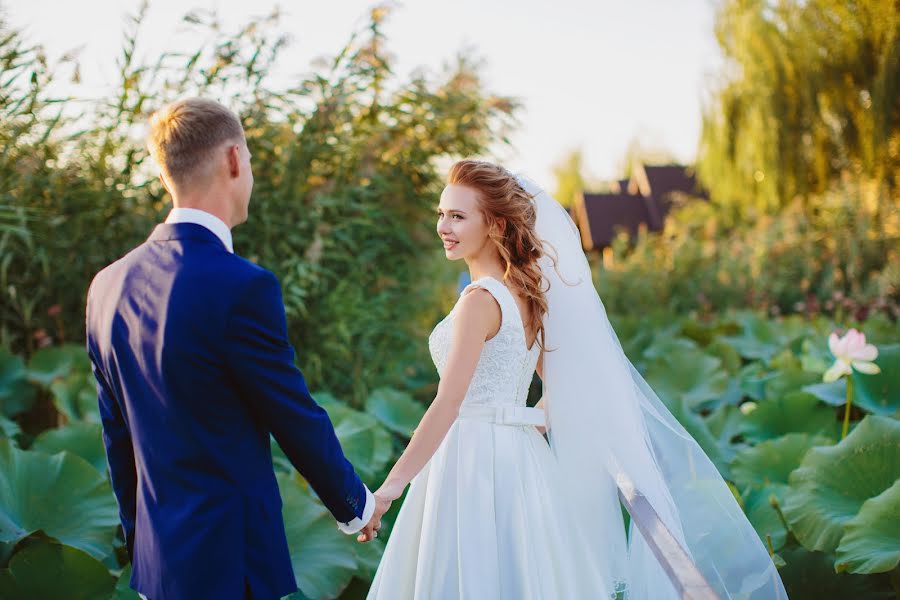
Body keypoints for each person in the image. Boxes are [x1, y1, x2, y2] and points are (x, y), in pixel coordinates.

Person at [365, 160, 789, 599]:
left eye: (457, 215)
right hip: (521, 459)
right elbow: (561, 387)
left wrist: (389, 489)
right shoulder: (524, 296)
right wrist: (521, 418)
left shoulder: (478, 301)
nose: (443, 226)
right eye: (441, 213)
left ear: (493, 225)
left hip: (472, 464)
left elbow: (449, 403)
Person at [85, 98, 389, 600]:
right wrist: (356, 504)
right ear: (232, 160)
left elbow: (117, 437)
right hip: (231, 567)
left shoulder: (106, 286)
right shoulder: (240, 286)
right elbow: (292, 413)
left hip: (158, 569)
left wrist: (143, 548)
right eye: (248, 161)